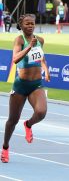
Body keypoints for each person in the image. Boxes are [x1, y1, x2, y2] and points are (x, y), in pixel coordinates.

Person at [1, 14, 50, 163]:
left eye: (32, 23)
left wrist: (46, 70)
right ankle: (5, 147)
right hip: (21, 85)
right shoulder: (19, 40)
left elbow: (41, 57)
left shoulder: (40, 40)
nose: (30, 26)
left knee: (41, 112)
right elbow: (15, 59)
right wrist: (29, 47)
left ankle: (28, 124)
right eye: (27, 24)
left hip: (36, 84)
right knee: (12, 120)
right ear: (21, 26)